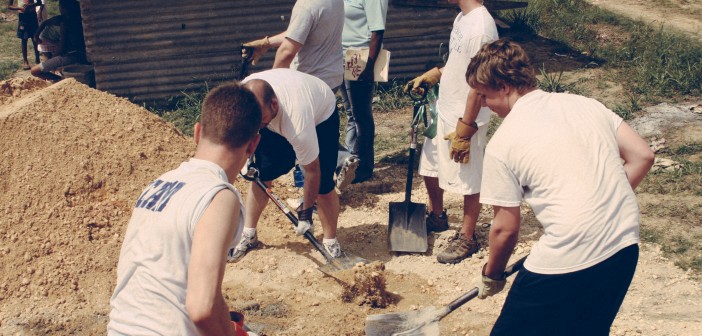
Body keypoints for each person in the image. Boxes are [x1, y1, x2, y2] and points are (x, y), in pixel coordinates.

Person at [467, 39, 655, 335]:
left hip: (571, 254)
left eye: (484, 95)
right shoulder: (585, 104)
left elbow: (505, 229)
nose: (483, 105)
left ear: (503, 85)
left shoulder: (502, 144)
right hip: (624, 245)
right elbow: (642, 155)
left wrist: (492, 275)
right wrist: (602, 203)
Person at [108, 82, 262, 336]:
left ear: (197, 132)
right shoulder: (218, 195)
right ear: (253, 145)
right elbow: (202, 307)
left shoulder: (159, 184)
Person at [404, 0, 498, 264]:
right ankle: (437, 216)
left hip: (466, 115)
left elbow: (480, 84)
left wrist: (465, 130)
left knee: (469, 176)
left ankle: (468, 236)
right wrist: (435, 74)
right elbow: (461, 63)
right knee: (430, 166)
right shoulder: (462, 17)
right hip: (445, 107)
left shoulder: (481, 28)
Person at [231, 68, 344, 261]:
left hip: (321, 116)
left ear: (274, 105)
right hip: (278, 115)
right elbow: (240, 128)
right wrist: (245, 157)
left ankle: (330, 241)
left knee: (323, 184)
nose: (257, 126)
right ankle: (249, 234)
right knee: (264, 174)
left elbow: (312, 171)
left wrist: (306, 215)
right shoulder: (245, 100)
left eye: (260, 121)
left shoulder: (296, 123)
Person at [337, 0, 389, 185]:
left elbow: (377, 31)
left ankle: (364, 167)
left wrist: (369, 65)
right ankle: (351, 162)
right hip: (340, 56)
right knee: (350, 112)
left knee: (361, 115)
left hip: (360, 57)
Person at [30, 0, 86, 83]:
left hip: (72, 56)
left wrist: (52, 60)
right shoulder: (79, 19)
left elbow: (62, 48)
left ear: (64, 8)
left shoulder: (65, 22)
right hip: (79, 54)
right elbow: (45, 23)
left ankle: (60, 80)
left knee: (34, 71)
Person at [7, 0, 41, 70]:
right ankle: (25, 61)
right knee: (24, 39)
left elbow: (39, 2)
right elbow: (9, 6)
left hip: (32, 16)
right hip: (23, 17)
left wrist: (31, 5)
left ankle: (37, 59)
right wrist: (19, 8)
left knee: (35, 38)